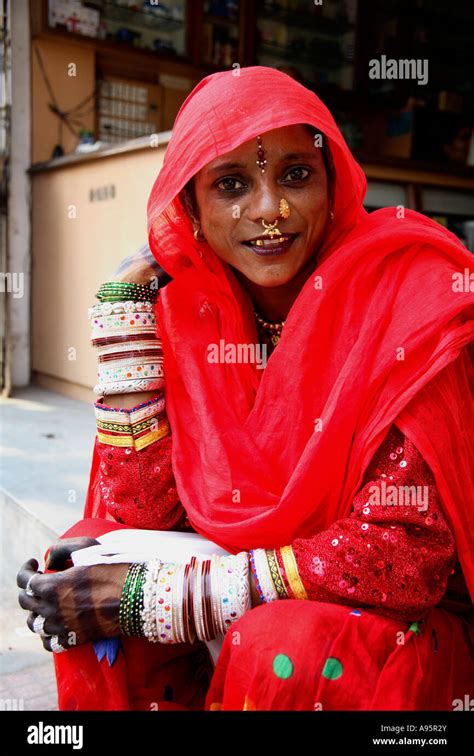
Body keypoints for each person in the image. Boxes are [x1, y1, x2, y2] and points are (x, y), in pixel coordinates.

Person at [17, 66, 474, 711]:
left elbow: (404, 557)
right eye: (231, 184)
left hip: (394, 630)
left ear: (333, 182)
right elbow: (139, 515)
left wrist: (158, 600)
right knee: (84, 574)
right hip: (243, 585)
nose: (270, 210)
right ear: (192, 210)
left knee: (278, 644)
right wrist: (124, 319)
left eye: (295, 174)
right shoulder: (189, 311)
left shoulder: (407, 295)